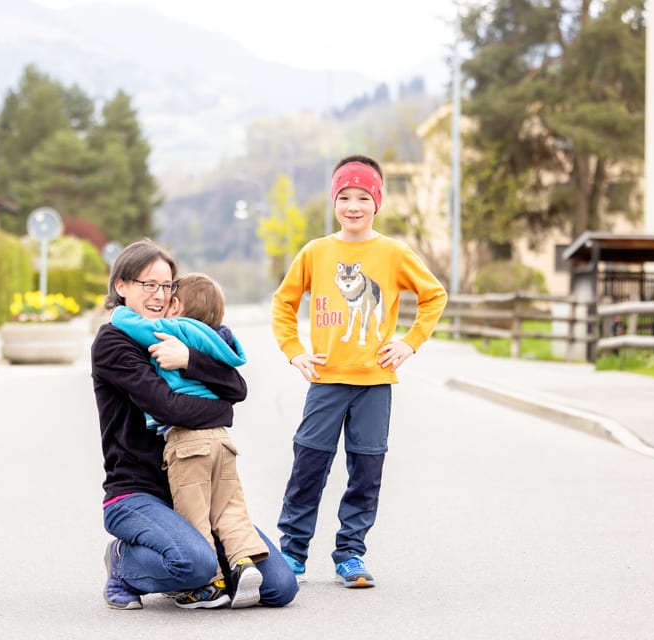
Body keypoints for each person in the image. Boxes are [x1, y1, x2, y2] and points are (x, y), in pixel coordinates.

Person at [270, 154, 448, 588]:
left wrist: (409, 342)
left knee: (366, 471)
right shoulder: (316, 252)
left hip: (375, 384)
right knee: (309, 465)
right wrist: (295, 352)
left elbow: (434, 295)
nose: (353, 205)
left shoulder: (393, 253)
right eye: (345, 197)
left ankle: (350, 553)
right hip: (326, 382)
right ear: (334, 201)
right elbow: (283, 304)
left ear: (377, 202)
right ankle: (292, 553)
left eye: (363, 197)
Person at [92, 239, 298, 611]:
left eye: (167, 286)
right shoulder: (113, 342)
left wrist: (188, 358)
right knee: (197, 565)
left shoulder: (179, 336)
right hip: (136, 494)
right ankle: (125, 561)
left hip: (195, 491)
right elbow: (170, 408)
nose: (159, 295)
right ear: (121, 287)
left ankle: (184, 556)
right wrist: (220, 410)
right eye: (148, 284)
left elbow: (236, 387)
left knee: (279, 586)